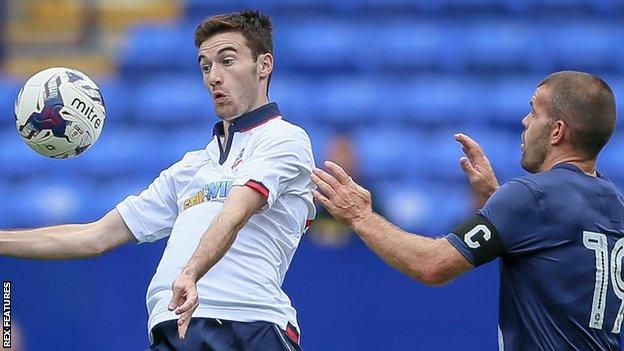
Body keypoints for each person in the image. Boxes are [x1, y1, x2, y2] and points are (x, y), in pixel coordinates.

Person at [0, 10, 314, 351]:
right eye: (206, 66)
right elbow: (96, 236)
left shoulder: (285, 139)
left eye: (227, 61)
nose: (214, 77)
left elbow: (237, 211)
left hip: (246, 326)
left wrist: (192, 271)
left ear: (264, 65)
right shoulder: (191, 167)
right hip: (174, 331)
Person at [312, 71, 624, 350]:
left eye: (533, 110)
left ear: (557, 131)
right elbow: (556, 254)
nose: (525, 121)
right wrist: (496, 198)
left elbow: (432, 265)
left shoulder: (532, 196)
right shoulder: (614, 203)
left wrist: (360, 215)